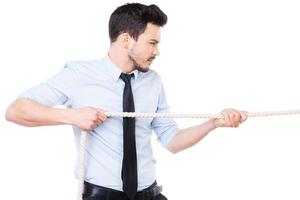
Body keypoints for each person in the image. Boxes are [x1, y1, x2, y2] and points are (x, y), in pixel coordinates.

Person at [5, 3, 247, 200]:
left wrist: (213, 123)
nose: (157, 51)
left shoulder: (153, 81)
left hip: (149, 194)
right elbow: (16, 111)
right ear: (125, 40)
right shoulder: (79, 75)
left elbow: (172, 141)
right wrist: (71, 116)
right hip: (101, 196)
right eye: (152, 42)